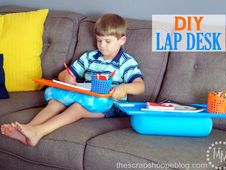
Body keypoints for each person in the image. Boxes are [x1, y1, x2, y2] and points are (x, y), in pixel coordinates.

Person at [0, 13, 145, 146]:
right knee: (56, 101)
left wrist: (124, 88)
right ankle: (29, 128)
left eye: (107, 41)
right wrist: (67, 78)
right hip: (87, 96)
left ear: (122, 40)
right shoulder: (90, 57)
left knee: (77, 107)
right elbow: (65, 73)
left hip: (111, 104)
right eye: (99, 40)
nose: (102, 45)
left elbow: (140, 86)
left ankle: (39, 132)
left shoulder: (126, 62)